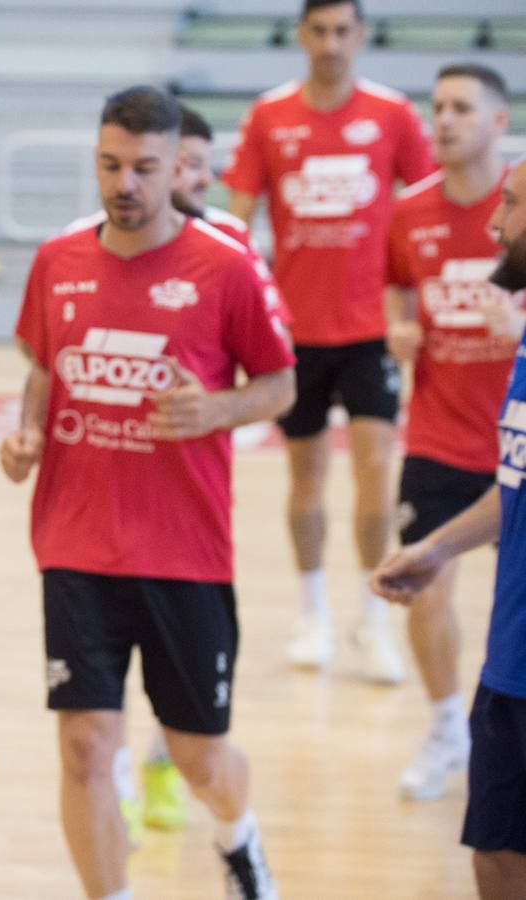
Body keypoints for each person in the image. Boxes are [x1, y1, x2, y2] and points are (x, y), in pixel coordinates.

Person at [1, 85, 295, 900]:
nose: (124, 182)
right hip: (75, 542)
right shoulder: (57, 260)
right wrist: (27, 434)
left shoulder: (225, 265)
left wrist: (217, 409)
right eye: (110, 165)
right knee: (86, 747)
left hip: (184, 552)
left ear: (178, 169)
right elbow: (44, 365)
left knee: (198, 756)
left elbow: (280, 385)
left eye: (143, 167)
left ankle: (238, 839)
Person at [223, 0, 436, 682]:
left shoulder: (393, 114)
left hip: (372, 330)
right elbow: (236, 222)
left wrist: (416, 307)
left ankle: (372, 618)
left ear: (361, 35)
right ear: (301, 35)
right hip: (296, 332)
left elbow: (428, 203)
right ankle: (311, 613)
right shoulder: (269, 115)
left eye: (343, 30)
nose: (331, 43)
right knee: (305, 476)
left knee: (375, 471)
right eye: (319, 30)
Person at [372, 152, 526, 900]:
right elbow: (518, 484)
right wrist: (436, 548)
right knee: (494, 857)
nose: (495, 222)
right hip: (509, 657)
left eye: (514, 205)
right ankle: (441, 730)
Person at [384, 64, 519, 802]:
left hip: (515, 442)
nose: (443, 120)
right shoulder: (409, 211)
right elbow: (395, 283)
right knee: (426, 585)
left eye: (462, 107)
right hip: (437, 437)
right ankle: (445, 729)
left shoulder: (520, 210)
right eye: (437, 106)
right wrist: (397, 328)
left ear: (498, 121)